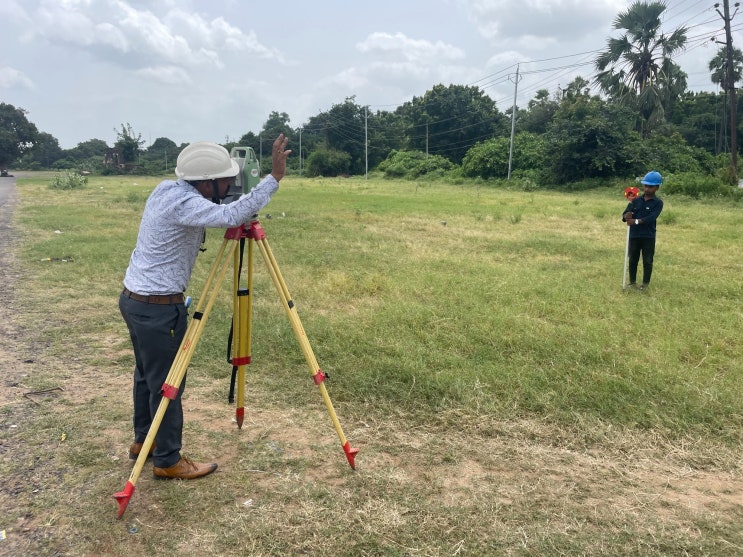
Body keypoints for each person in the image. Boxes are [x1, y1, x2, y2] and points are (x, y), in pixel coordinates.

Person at [119, 134, 291, 480]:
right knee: (168, 382)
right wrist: (274, 177)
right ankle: (168, 460)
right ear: (208, 182)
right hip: (158, 308)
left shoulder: (166, 189)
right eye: (227, 178)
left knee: (147, 377)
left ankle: (145, 441)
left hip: (134, 299)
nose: (232, 183)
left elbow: (224, 205)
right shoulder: (187, 204)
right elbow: (232, 214)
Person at [622, 170, 664, 290]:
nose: (646, 189)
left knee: (647, 260)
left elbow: (651, 218)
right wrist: (626, 216)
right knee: (633, 259)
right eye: (645, 185)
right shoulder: (635, 200)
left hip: (648, 236)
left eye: (650, 186)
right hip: (634, 235)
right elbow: (624, 215)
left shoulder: (658, 203)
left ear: (657, 187)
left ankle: (645, 285)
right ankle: (632, 283)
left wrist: (635, 221)